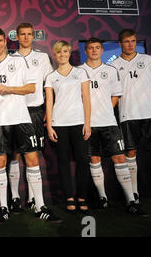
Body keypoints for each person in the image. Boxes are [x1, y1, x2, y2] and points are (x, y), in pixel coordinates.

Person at [0, 28, 61, 223]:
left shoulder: (18, 61)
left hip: (22, 119)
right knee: (0, 164)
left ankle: (40, 207)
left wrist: (9, 89)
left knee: (32, 161)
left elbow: (31, 87)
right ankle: (4, 208)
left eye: (0, 41)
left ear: (5, 42)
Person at [80, 37, 147, 216]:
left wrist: (104, 111)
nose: (94, 51)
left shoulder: (111, 70)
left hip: (109, 123)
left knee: (119, 158)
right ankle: (102, 198)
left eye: (97, 48)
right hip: (88, 125)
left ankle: (131, 201)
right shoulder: (78, 71)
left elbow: (116, 95)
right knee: (94, 160)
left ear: (102, 51)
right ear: (85, 51)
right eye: (91, 48)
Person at [111, 29, 151, 208]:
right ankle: (134, 195)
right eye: (126, 41)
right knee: (130, 153)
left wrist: (149, 103)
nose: (130, 44)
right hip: (128, 116)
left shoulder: (147, 60)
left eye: (133, 41)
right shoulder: (114, 65)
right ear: (120, 44)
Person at [8, 23, 54, 212]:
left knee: (32, 155)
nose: (26, 37)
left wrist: (49, 113)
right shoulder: (9, 58)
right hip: (15, 111)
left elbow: (49, 85)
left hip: (35, 111)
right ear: (16, 37)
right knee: (14, 154)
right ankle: (15, 198)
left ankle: (34, 198)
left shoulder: (42, 57)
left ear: (33, 37)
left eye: (29, 34)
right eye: (22, 34)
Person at [45, 40, 91, 213]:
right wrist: (49, 126)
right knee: (63, 162)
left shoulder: (81, 73)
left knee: (82, 161)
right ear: (55, 55)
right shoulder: (51, 77)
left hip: (79, 122)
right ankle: (69, 198)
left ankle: (82, 197)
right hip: (59, 124)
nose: (62, 54)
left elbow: (86, 98)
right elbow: (49, 102)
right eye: (59, 52)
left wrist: (87, 123)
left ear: (69, 53)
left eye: (65, 51)